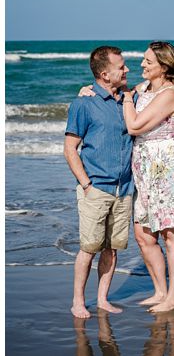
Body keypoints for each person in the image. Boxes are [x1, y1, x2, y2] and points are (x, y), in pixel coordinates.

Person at [123, 42, 174, 313]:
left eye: (148, 62)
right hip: (143, 166)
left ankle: (173, 297)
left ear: (163, 67)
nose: (142, 65)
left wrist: (127, 99)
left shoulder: (170, 94)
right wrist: (87, 91)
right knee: (143, 233)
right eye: (143, 60)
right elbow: (115, 93)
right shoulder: (142, 89)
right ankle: (159, 291)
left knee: (171, 234)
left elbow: (134, 125)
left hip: (167, 167)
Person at [64, 46, 134, 318]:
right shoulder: (84, 103)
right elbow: (70, 148)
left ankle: (103, 299)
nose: (126, 70)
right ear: (105, 74)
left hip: (125, 189)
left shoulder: (129, 98)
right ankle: (78, 302)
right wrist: (85, 184)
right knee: (88, 248)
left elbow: (157, 85)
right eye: (121, 67)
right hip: (96, 188)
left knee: (112, 248)